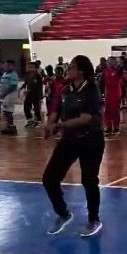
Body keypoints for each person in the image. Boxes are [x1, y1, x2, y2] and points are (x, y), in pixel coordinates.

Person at [42, 55, 105, 237]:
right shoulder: (65, 90)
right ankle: (63, 214)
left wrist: (59, 126)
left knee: (89, 180)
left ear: (81, 71)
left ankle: (94, 219)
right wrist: (49, 124)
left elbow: (85, 119)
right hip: (70, 140)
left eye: (71, 67)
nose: (68, 70)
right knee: (49, 178)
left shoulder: (91, 89)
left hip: (91, 140)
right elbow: (55, 110)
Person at [102, 57, 122, 136]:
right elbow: (102, 82)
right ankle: (109, 127)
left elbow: (122, 74)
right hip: (108, 94)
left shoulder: (118, 71)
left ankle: (116, 127)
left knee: (115, 111)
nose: (110, 63)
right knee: (107, 111)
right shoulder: (105, 71)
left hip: (116, 93)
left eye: (112, 61)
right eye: (109, 61)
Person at [21, 61, 44, 128]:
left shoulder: (38, 76)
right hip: (29, 93)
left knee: (36, 108)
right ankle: (29, 120)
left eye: (32, 67)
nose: (31, 68)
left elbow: (40, 86)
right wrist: (23, 87)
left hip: (36, 94)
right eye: (29, 67)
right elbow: (26, 82)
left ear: (36, 68)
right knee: (26, 106)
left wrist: (40, 97)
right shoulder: (27, 74)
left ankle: (38, 121)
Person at [0, 60, 19, 135]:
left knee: (8, 111)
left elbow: (13, 86)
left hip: (10, 95)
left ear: (13, 66)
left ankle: (11, 127)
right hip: (5, 95)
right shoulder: (4, 74)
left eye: (9, 65)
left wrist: (4, 93)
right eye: (6, 65)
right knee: (5, 111)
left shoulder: (13, 74)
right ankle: (8, 126)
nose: (7, 67)